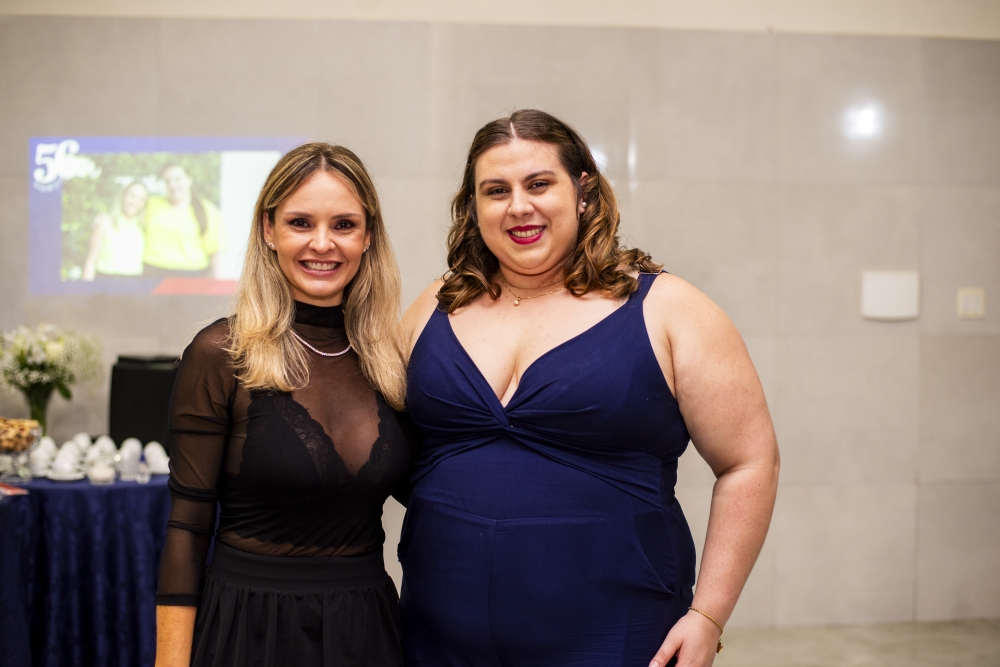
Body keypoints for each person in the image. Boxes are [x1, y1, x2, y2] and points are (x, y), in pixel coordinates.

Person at [400, 110, 780, 667]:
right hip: (438, 628)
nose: (518, 206)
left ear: (583, 193)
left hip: (616, 632)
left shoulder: (667, 308)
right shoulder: (435, 306)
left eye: (538, 184)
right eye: (496, 190)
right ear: (473, 207)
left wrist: (708, 615)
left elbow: (749, 462)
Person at [155, 143, 413, 667]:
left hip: (366, 631)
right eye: (300, 222)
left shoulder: (393, 360)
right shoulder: (221, 354)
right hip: (248, 630)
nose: (323, 243)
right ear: (268, 231)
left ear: (368, 237)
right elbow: (187, 527)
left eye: (344, 225)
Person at [143, 163, 223, 276]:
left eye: (177, 179)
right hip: (152, 272)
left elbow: (215, 252)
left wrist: (216, 282)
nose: (172, 185)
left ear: (189, 179)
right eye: (167, 181)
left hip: (192, 274)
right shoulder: (151, 204)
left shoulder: (207, 210)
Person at [81, 181, 148, 280]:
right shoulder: (105, 223)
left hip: (134, 282)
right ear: (123, 196)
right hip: (106, 281)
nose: (134, 202)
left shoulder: (144, 227)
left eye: (141, 199)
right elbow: (90, 262)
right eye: (131, 195)